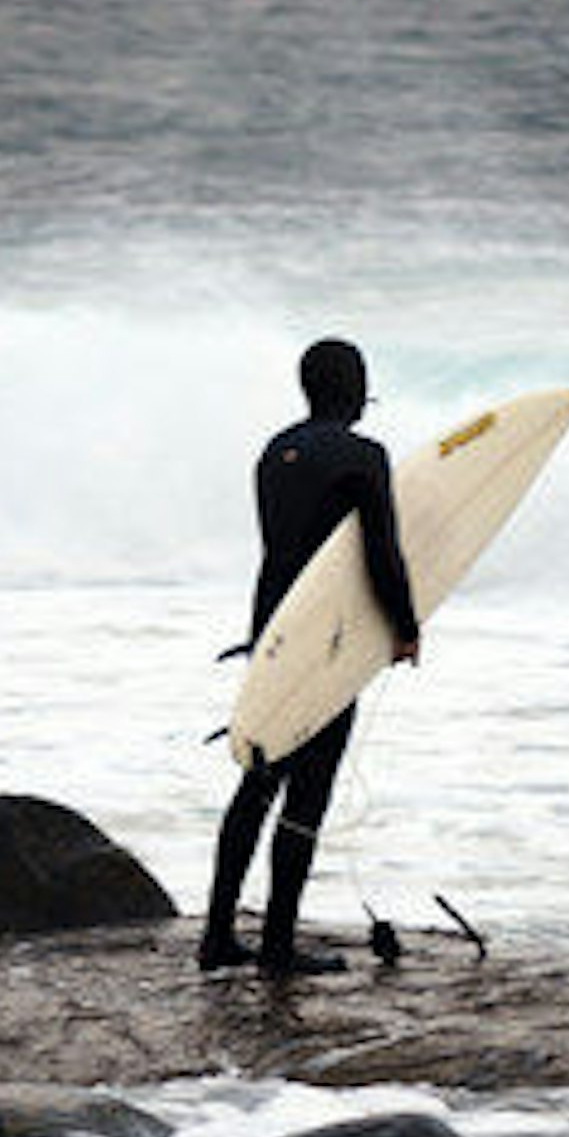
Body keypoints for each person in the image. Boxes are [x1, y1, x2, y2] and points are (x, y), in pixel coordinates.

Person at [198, 338, 420, 976]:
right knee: (309, 790)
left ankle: (217, 934)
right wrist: (404, 627)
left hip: (272, 625)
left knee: (259, 776)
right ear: (356, 389)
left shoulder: (275, 452)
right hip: (326, 636)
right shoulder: (364, 456)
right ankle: (276, 946)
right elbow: (382, 551)